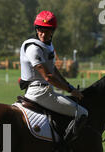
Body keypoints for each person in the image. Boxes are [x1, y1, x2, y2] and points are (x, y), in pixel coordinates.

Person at [19, 10, 88, 142]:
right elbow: (48, 77)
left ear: (53, 31)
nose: (43, 34)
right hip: (39, 92)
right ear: (36, 29)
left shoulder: (48, 45)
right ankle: (64, 148)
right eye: (40, 30)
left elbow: (53, 69)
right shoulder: (34, 48)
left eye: (47, 31)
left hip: (45, 90)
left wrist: (69, 86)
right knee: (82, 113)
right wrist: (70, 90)